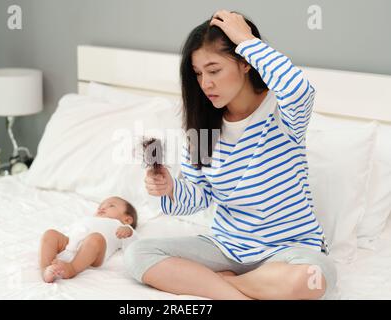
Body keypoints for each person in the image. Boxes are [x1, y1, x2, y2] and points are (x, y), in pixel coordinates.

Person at [124, 10, 337, 300]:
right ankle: (238, 293)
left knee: (312, 279)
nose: (205, 84)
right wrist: (171, 188)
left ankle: (217, 284)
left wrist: (246, 40)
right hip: (226, 247)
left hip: (290, 249)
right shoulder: (203, 127)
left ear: (246, 63)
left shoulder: (283, 113)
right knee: (138, 254)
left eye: (214, 70)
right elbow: (198, 197)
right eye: (198, 74)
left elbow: (299, 89)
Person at [40, 196, 138, 283]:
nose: (102, 207)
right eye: (100, 206)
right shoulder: (88, 219)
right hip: (70, 243)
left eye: (111, 205)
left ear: (127, 219)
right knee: (50, 234)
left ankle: (72, 268)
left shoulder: (121, 226)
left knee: (96, 237)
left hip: (95, 253)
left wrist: (128, 231)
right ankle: (46, 268)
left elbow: (135, 245)